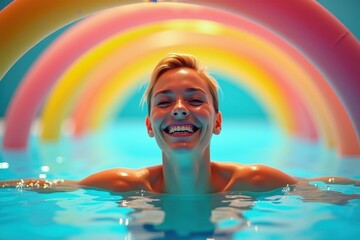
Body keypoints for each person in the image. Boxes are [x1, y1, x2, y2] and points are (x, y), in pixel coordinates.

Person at [1, 53, 357, 194]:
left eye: (196, 99)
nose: (181, 109)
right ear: (149, 125)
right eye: (164, 102)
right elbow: (44, 187)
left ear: (217, 123)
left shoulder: (252, 182)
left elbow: (327, 191)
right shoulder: (127, 185)